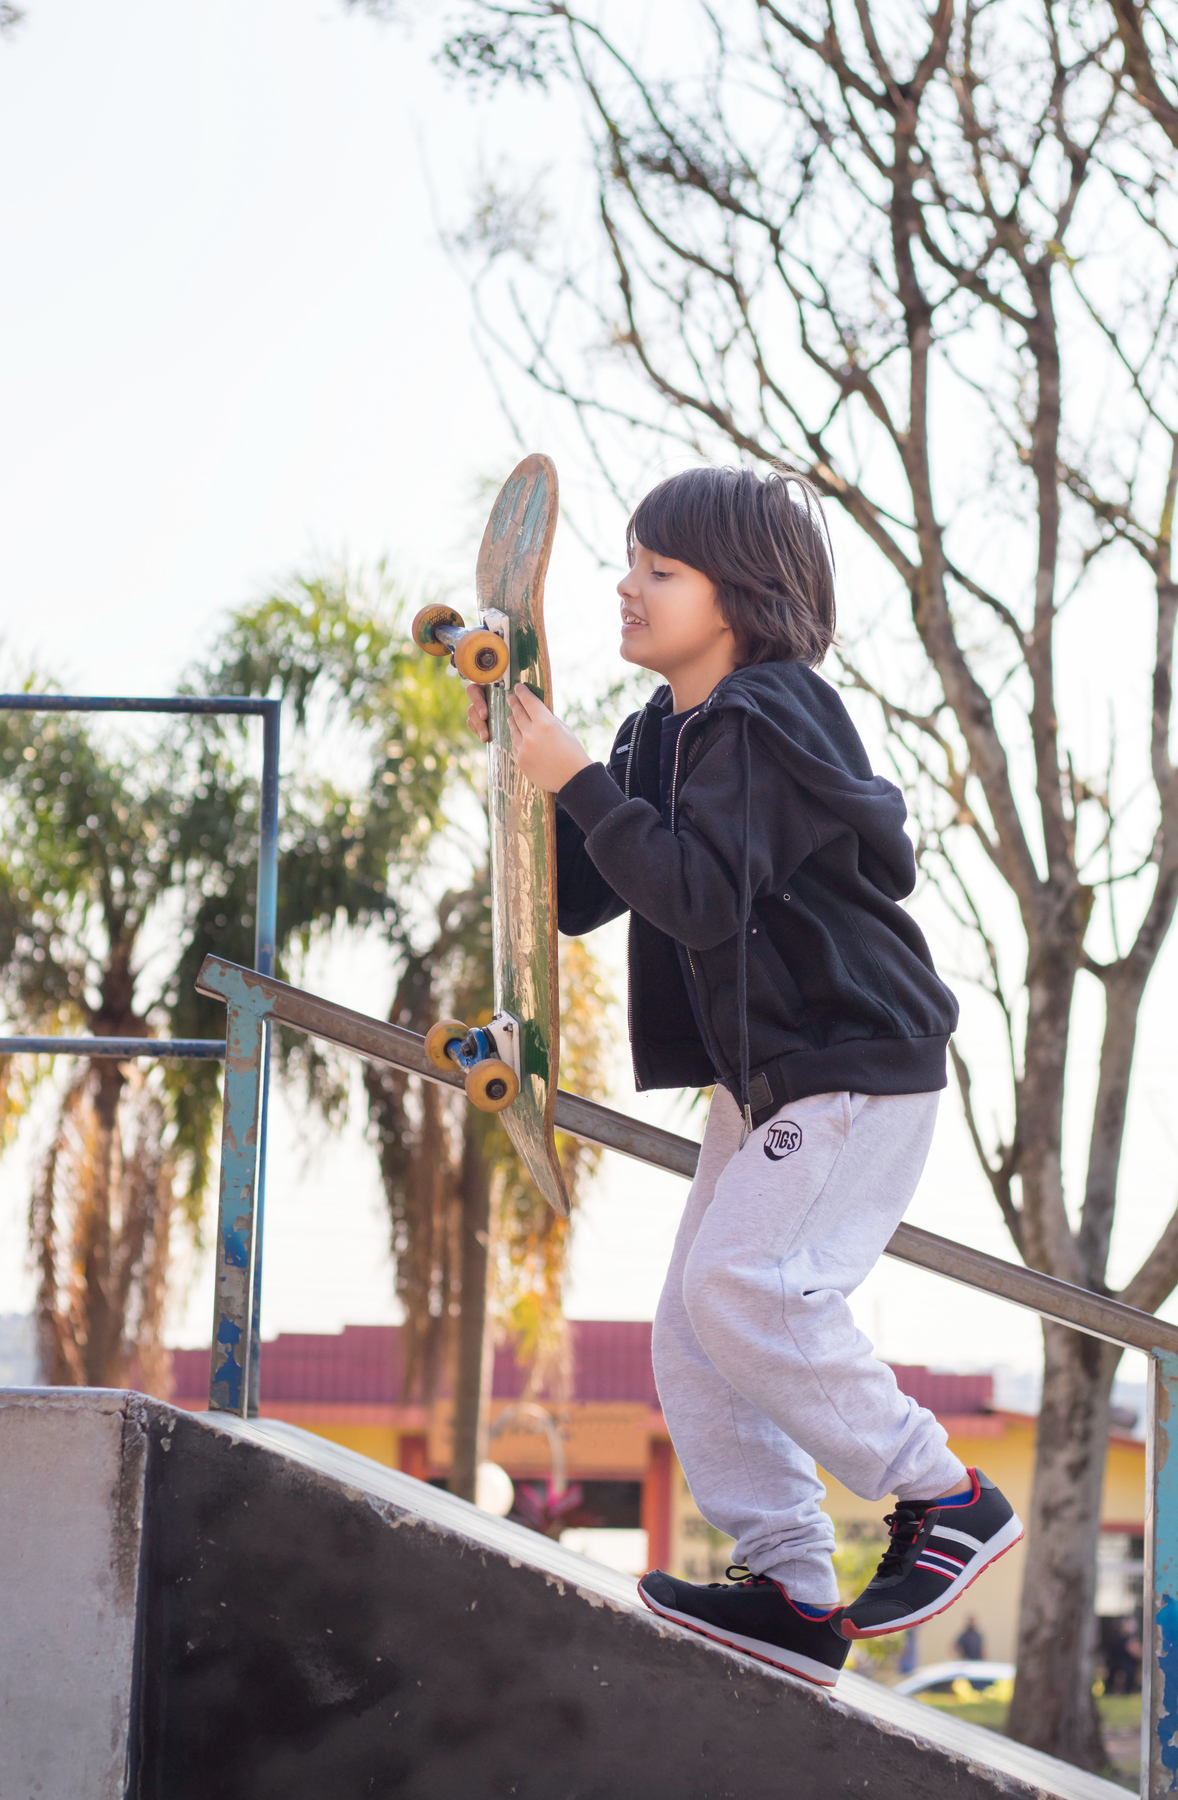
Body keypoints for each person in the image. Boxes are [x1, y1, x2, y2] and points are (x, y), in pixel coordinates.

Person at [465, 465, 1023, 1689]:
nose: (626, 585)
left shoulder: (774, 714)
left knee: (746, 1288)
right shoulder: (660, 734)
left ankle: (946, 1494)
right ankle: (788, 1588)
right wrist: (533, 773)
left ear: (740, 597)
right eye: (628, 562)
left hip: (853, 1064)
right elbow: (602, 894)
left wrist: (578, 780)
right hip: (767, 1079)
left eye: (659, 570)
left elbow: (704, 900)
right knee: (692, 1335)